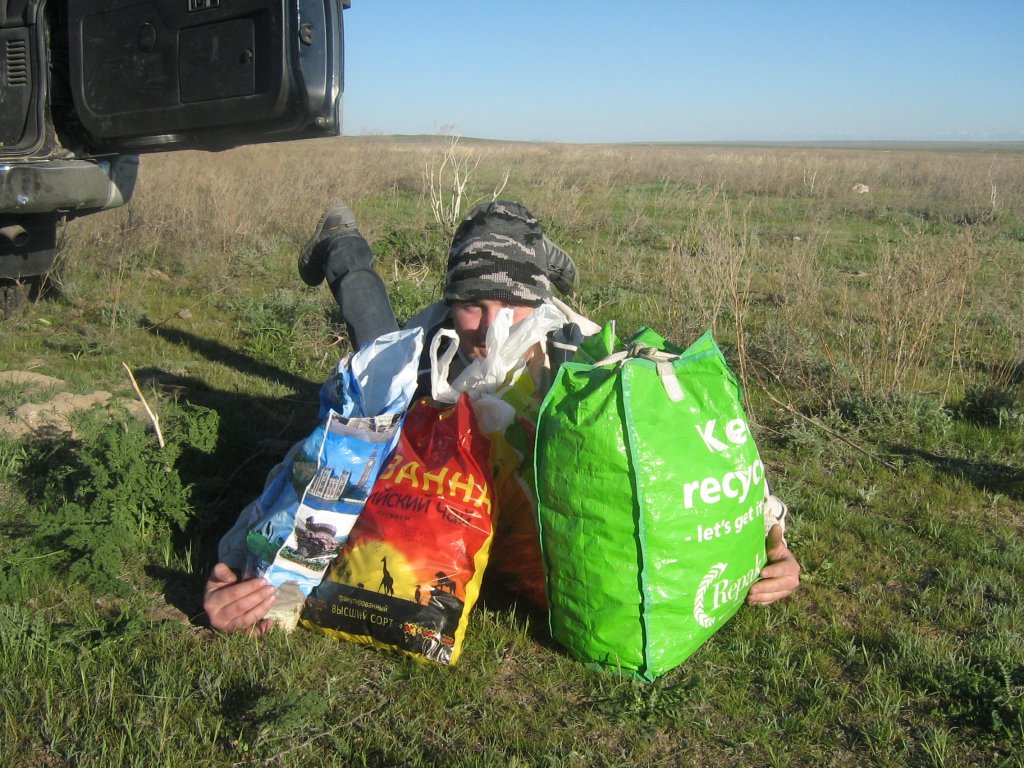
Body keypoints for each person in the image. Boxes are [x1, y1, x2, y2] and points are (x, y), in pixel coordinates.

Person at [203, 200, 800, 635]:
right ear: (450, 304)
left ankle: (536, 257)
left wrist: (769, 536)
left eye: (514, 304)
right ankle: (343, 244)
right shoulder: (415, 354)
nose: (492, 327)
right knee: (373, 338)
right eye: (472, 305)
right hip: (415, 373)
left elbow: (689, 449)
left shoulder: (582, 353)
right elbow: (320, 464)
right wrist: (241, 562)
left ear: (540, 302)